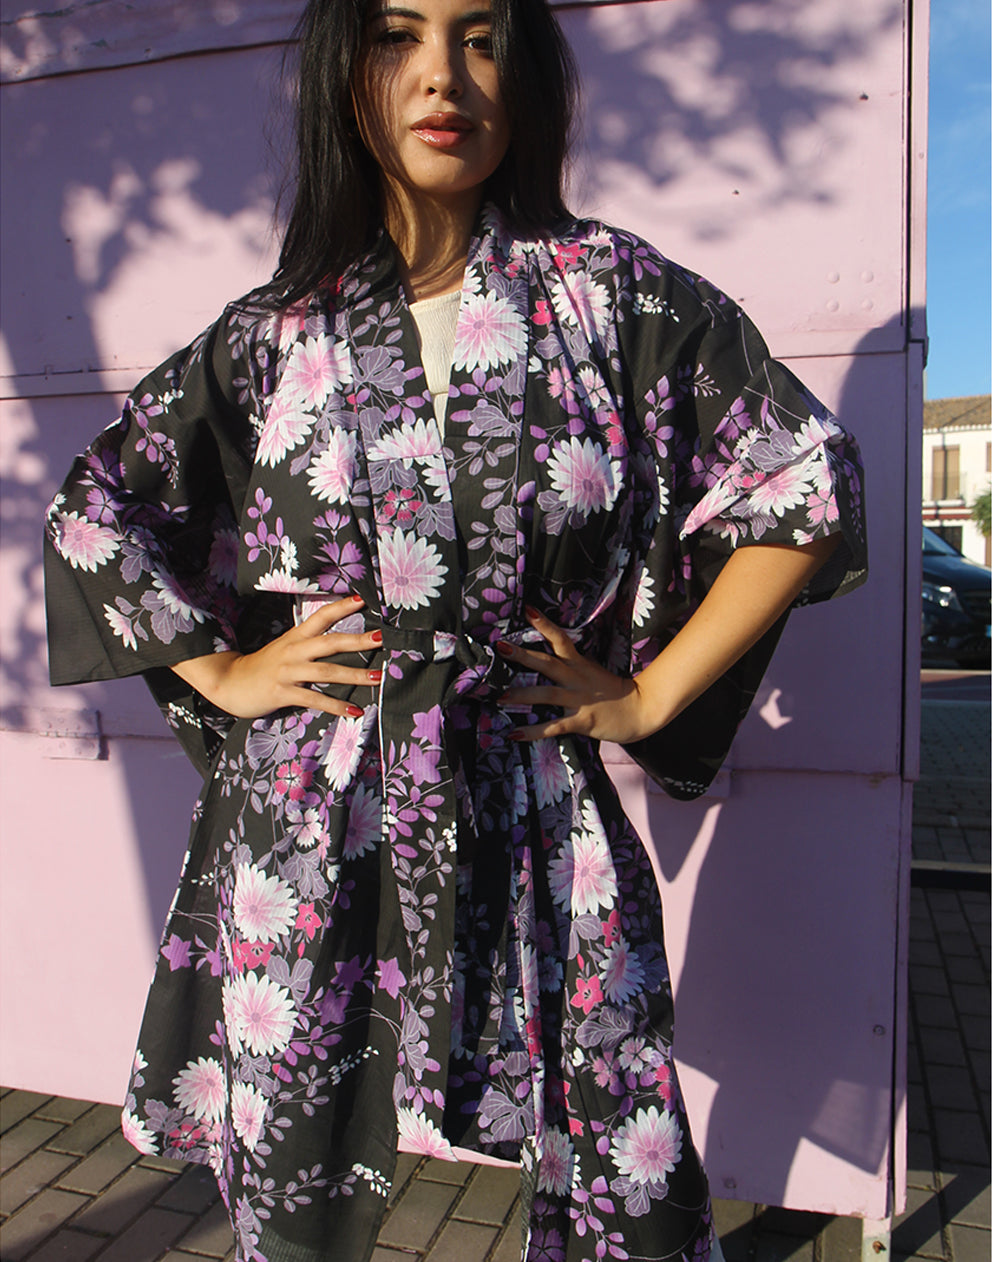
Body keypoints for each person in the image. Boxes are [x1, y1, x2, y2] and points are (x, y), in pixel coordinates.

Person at [43, 0, 867, 1258]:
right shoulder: (275, 331)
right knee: (294, 1171)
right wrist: (230, 671)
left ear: (521, 73)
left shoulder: (611, 294)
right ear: (347, 76)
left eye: (479, 38)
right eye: (397, 35)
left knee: (618, 1158)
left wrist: (646, 695)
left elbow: (799, 478)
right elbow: (100, 508)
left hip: (532, 787)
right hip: (310, 806)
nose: (443, 76)